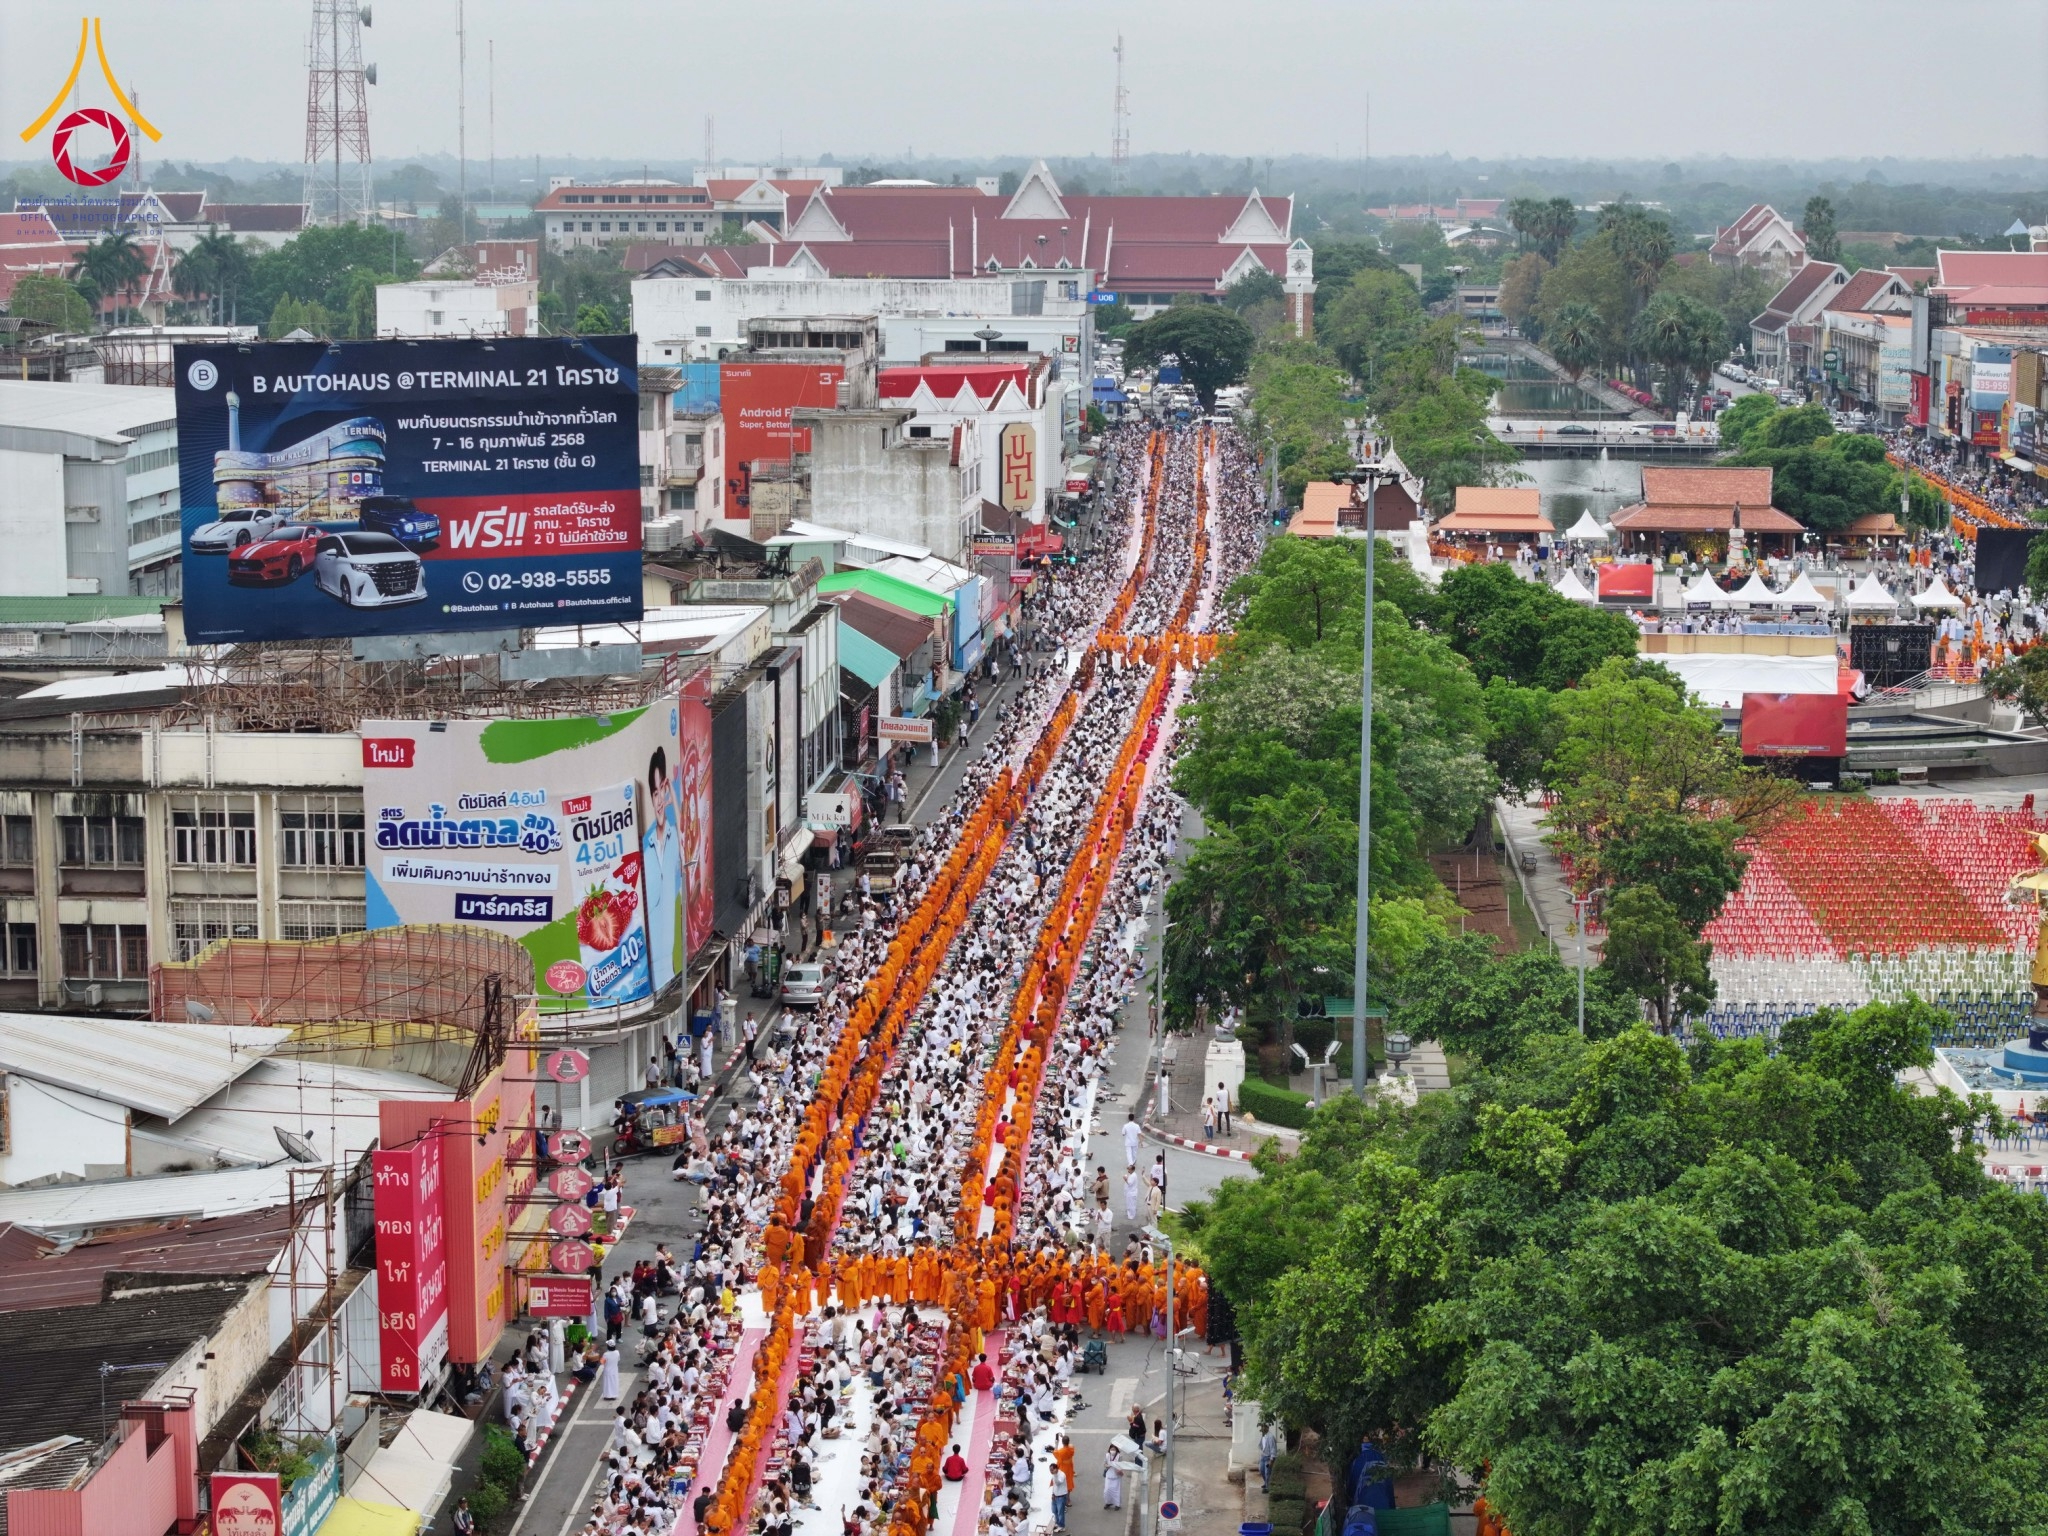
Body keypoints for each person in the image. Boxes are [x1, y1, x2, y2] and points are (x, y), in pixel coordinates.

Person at [1259, 1422, 1279, 1494]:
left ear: (1267, 1428)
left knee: (1267, 1473)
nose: (1262, 1428)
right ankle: (1266, 1483)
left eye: (1264, 1427)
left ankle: (1267, 1488)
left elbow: (1273, 1449)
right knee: (1261, 1470)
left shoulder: (1270, 1437)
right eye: (1262, 1427)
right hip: (1263, 1456)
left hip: (1268, 1458)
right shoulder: (1263, 1436)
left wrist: (1272, 1460)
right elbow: (1261, 1445)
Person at [1049, 1463, 1070, 1530]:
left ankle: (1061, 1526)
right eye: (1050, 1470)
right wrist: (1052, 1493)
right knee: (1054, 1510)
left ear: (1056, 1469)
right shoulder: (1054, 1475)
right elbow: (1054, 1486)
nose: (1051, 1471)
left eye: (1052, 1470)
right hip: (1055, 1496)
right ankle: (1057, 1523)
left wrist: (1055, 1475)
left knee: (1060, 1512)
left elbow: (1058, 1483)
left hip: (1061, 1496)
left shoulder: (1062, 1475)